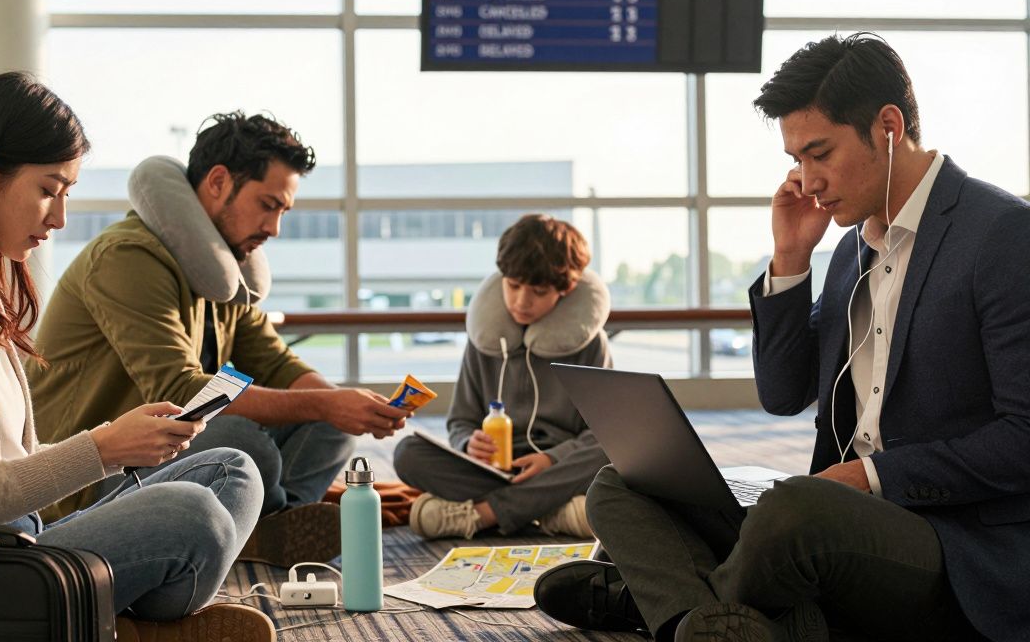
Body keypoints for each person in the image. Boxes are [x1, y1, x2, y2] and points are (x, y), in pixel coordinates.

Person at [543, 33, 1030, 641]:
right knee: (624, 482)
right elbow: (782, 394)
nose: (807, 179)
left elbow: (1023, 437)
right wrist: (791, 257)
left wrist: (871, 477)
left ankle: (656, 605)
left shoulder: (1003, 237)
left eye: (819, 154)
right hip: (827, 518)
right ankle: (712, 623)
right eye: (796, 159)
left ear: (887, 126)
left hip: (951, 542)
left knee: (795, 514)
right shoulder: (853, 250)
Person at [0, 73, 272, 639]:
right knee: (195, 515)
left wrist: (115, 445)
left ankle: (100, 617)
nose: (59, 218)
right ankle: (109, 620)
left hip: (15, 545)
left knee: (231, 471)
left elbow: (10, 459)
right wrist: (102, 448)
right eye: (48, 189)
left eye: (67, 194)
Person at [28, 111, 411, 566]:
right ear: (217, 182)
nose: (274, 228)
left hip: (166, 447)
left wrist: (343, 406)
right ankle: (267, 522)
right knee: (243, 443)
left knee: (330, 425)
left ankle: (268, 525)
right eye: (267, 205)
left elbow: (277, 364)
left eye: (283, 211)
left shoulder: (223, 268)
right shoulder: (126, 257)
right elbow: (180, 389)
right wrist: (327, 404)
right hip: (90, 475)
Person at [394, 214, 613, 540]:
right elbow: (460, 421)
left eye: (538, 291)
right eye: (513, 286)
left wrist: (552, 458)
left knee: (611, 451)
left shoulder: (591, 344)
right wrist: (469, 443)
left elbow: (603, 434)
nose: (522, 301)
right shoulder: (484, 338)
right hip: (493, 470)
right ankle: (552, 513)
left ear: (565, 289)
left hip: (559, 467)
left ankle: (484, 515)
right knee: (408, 453)